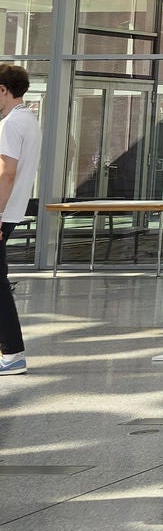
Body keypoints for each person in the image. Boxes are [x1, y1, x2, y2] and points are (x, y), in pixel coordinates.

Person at [0, 64, 41, 377]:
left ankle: (13, 353)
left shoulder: (11, 124)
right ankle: (11, 351)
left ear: (3, 90)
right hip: (11, 211)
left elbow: (7, 173)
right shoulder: (29, 120)